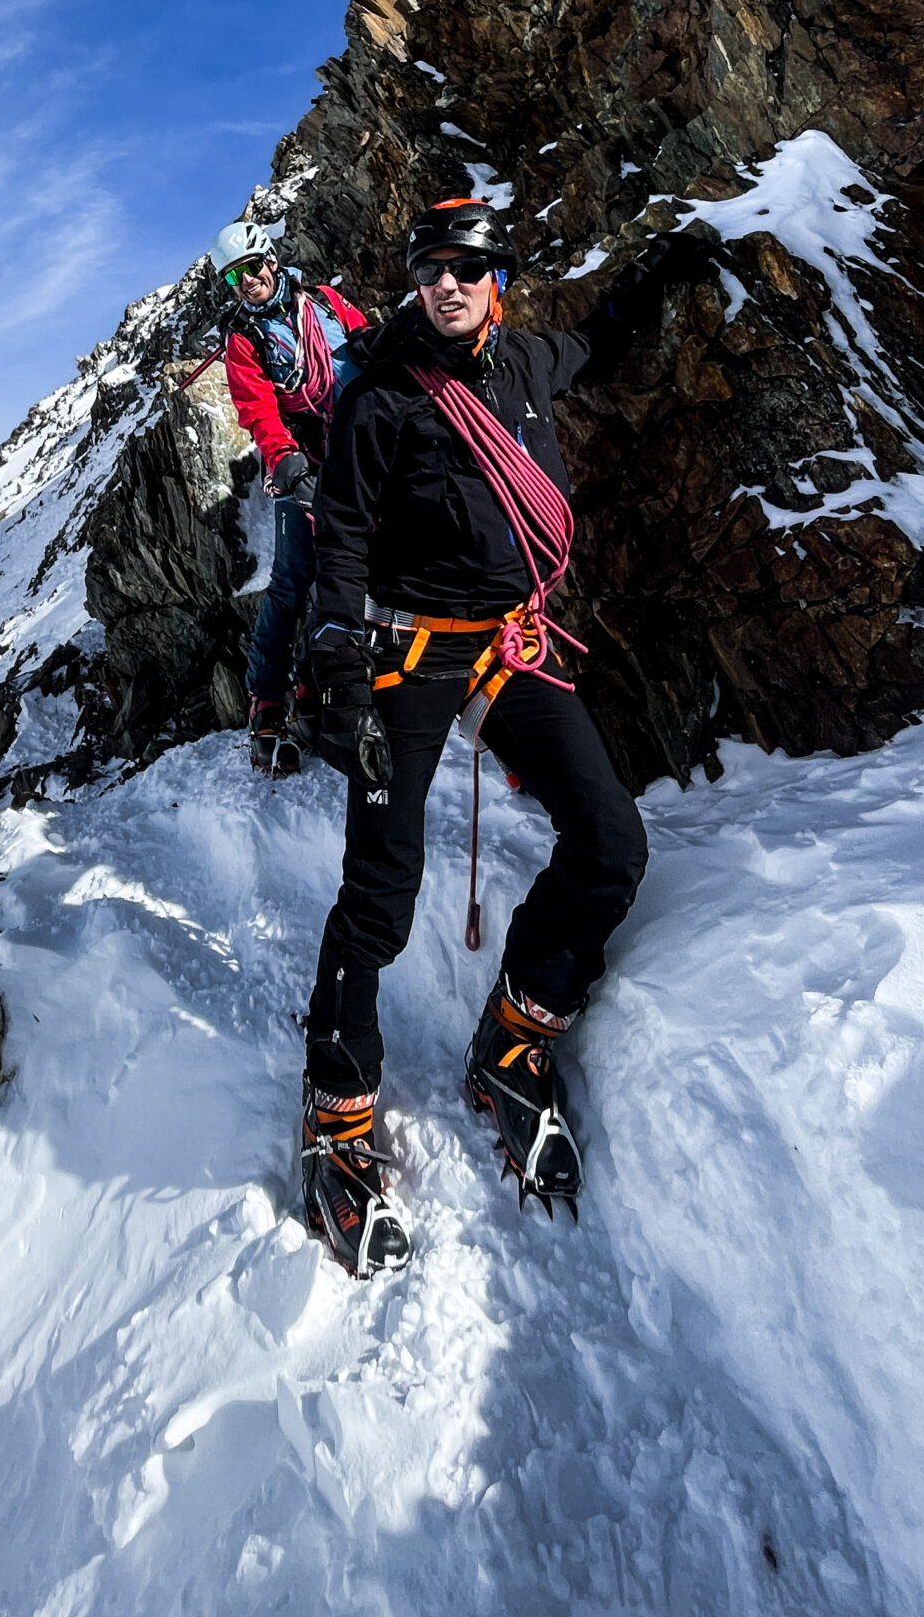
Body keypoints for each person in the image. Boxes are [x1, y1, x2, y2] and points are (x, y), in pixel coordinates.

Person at [297, 196, 716, 1275]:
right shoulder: (381, 395)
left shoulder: (524, 362)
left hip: (503, 643)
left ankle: (517, 1033)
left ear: (497, 279)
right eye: (432, 266)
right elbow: (340, 535)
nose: (449, 282)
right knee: (380, 895)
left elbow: (598, 339)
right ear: (414, 279)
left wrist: (652, 275)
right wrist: (340, 654)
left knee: (611, 842)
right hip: (406, 652)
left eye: (469, 266)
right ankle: (336, 1117)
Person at [209, 220, 369, 773]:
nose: (247, 280)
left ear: (271, 260)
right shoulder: (243, 340)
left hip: (361, 452)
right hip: (305, 466)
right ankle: (269, 698)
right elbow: (257, 408)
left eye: (252, 266)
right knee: (294, 580)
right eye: (234, 275)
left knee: (357, 571)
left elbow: (365, 346)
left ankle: (318, 682)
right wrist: (285, 459)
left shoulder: (324, 301)